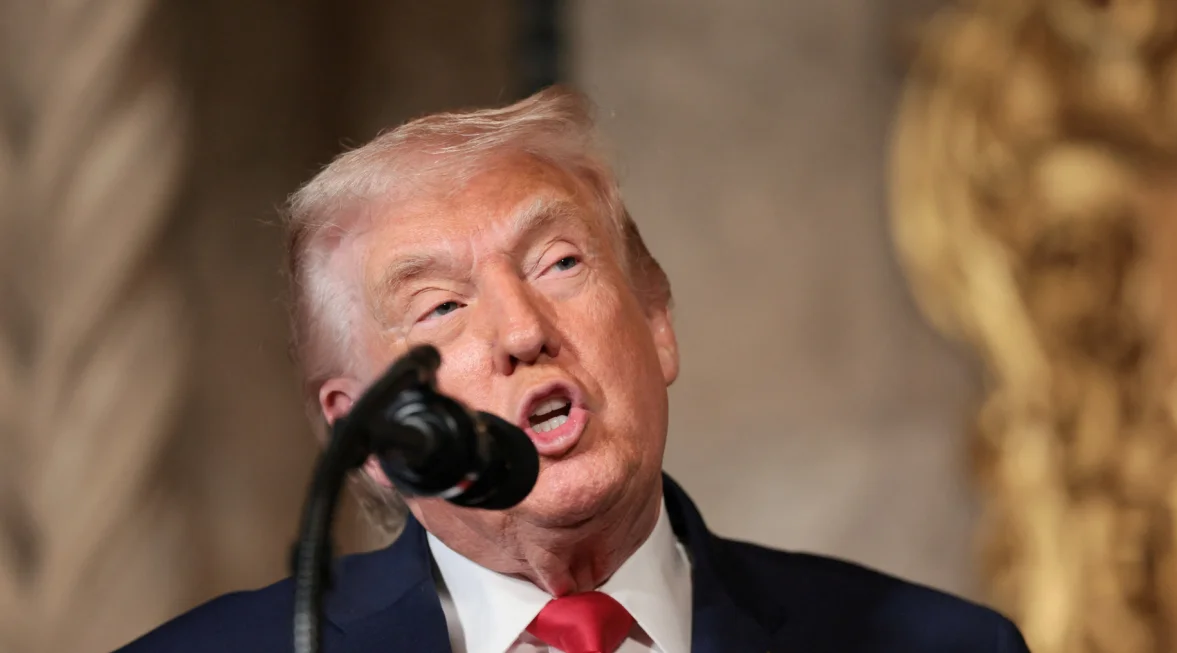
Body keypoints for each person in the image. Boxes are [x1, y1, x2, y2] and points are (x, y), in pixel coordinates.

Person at [116, 87, 1031, 653]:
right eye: (439, 307)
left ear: (657, 322)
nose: (522, 330)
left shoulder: (943, 645)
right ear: (367, 433)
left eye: (559, 262)